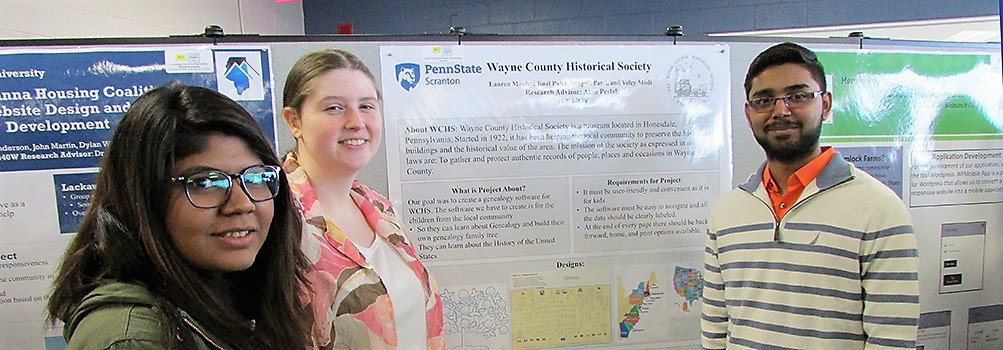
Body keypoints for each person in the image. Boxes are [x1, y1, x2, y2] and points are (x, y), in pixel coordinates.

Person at [47, 82, 311, 349]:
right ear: (145, 199)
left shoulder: (230, 298)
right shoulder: (132, 340)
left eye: (256, 177)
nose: (242, 204)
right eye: (205, 183)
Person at [701, 42, 920, 349]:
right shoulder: (727, 212)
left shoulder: (880, 209)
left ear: (826, 104)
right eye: (764, 100)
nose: (781, 110)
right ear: (749, 114)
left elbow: (891, 339)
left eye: (798, 96)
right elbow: (715, 328)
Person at [281, 49, 445, 349]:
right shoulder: (274, 214)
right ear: (294, 121)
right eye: (334, 108)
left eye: (367, 106)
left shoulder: (378, 207)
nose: (356, 122)